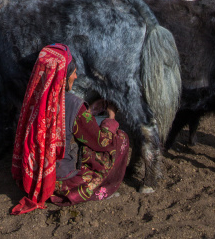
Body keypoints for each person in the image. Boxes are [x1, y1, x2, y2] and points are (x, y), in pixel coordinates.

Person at [10, 43, 129, 214]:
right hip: (62, 182)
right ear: (63, 76)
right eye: (73, 71)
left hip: (37, 177)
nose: (76, 75)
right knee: (120, 139)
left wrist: (89, 111)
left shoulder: (34, 98)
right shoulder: (72, 103)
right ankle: (100, 190)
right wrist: (111, 117)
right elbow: (101, 142)